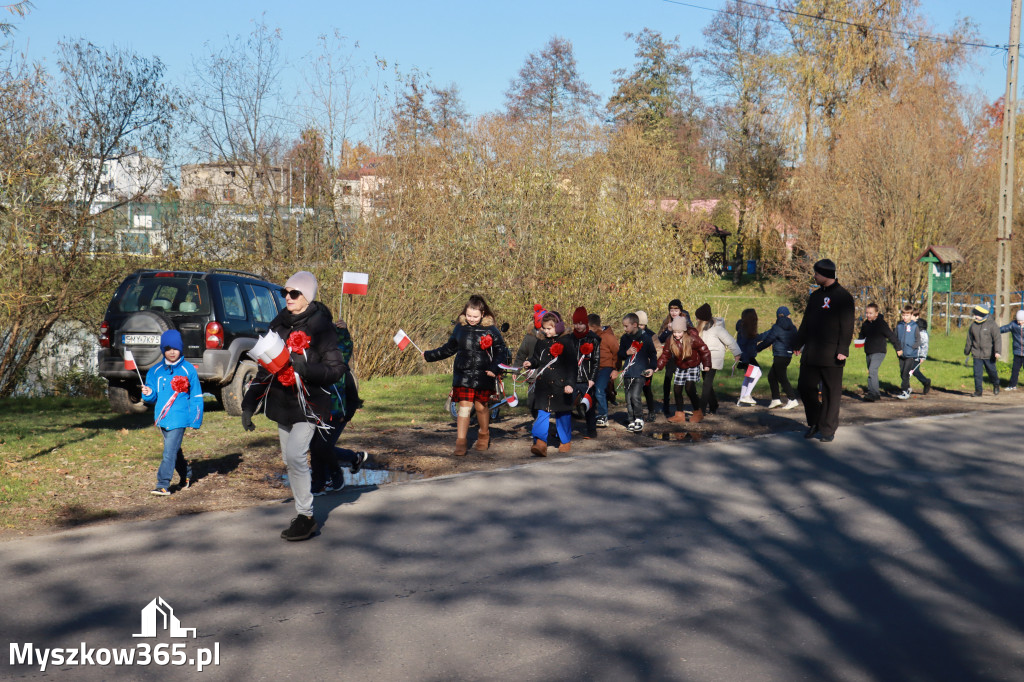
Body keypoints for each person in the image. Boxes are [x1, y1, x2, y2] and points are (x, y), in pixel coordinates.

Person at [241, 270, 346, 541]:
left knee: (298, 456)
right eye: (284, 292)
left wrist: (306, 367)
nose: (287, 297)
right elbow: (266, 368)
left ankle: (305, 516)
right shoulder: (279, 324)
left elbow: (336, 369)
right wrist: (249, 404)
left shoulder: (322, 327)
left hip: (310, 405)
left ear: (307, 297)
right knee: (289, 460)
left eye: (294, 293)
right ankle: (304, 513)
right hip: (282, 403)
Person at [423, 294, 509, 454]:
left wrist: (494, 368)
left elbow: (501, 351)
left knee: (481, 407)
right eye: (469, 315)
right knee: (464, 408)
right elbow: (448, 348)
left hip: (485, 374)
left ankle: (484, 434)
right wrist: (429, 355)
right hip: (463, 373)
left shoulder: (491, 330)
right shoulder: (459, 328)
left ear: (483, 314)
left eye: (475, 316)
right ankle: (461, 442)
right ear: (465, 313)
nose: (472, 319)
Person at [793, 258, 855, 443]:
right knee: (805, 387)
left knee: (831, 392)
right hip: (812, 352)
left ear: (826, 275)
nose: (814, 276)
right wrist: (798, 343)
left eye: (817, 273)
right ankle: (816, 421)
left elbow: (848, 325)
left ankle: (827, 429)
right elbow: (806, 322)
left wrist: (843, 349)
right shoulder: (815, 296)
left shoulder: (844, 297)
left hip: (833, 354)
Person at [309, 320, 369, 496]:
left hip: (338, 415)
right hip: (319, 413)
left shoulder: (342, 371)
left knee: (322, 448)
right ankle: (322, 479)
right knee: (316, 447)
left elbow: (353, 399)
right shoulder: (316, 367)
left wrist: (342, 332)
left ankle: (333, 473)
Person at [141, 329, 202, 496]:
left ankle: (162, 484)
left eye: (175, 348)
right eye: (168, 349)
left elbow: (196, 396)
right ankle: (186, 475)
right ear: (163, 350)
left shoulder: (189, 370)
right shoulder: (155, 371)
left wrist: (195, 419)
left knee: (169, 451)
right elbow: (152, 396)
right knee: (174, 450)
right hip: (162, 419)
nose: (172, 352)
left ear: (180, 348)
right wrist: (147, 393)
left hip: (180, 418)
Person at [522, 312, 575, 456]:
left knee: (563, 414)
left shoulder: (567, 341)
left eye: (549, 329)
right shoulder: (541, 341)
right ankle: (540, 442)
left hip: (561, 384)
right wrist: (530, 363)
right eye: (544, 329)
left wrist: (570, 383)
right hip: (544, 384)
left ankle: (565, 440)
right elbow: (537, 359)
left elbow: (572, 365)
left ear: (558, 327)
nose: (546, 331)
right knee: (542, 412)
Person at [656, 317, 712, 423]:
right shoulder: (670, 339)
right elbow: (665, 355)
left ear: (684, 330)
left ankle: (697, 412)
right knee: (677, 389)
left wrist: (706, 364)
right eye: (675, 332)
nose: (676, 335)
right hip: (681, 366)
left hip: (692, 365)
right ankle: (679, 414)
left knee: (689, 388)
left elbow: (704, 350)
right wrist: (658, 366)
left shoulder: (692, 338)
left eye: (679, 332)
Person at [694, 303, 741, 416]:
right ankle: (714, 405)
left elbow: (730, 340)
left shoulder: (717, 329)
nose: (696, 319)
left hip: (713, 358)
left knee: (706, 384)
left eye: (698, 317)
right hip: (703, 358)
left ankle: (701, 409)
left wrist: (737, 353)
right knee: (707, 383)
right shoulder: (700, 329)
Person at [616, 312, 658, 432]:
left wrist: (652, 367)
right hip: (628, 372)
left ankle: (639, 418)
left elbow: (653, 355)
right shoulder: (624, 338)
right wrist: (626, 353)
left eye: (626, 326)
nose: (624, 329)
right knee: (628, 398)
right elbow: (620, 354)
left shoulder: (646, 338)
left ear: (635, 325)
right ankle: (631, 420)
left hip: (640, 372)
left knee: (635, 396)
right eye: (623, 326)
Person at [756, 306, 800, 410]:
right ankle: (775, 399)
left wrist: (758, 348)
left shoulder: (776, 327)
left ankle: (792, 399)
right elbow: (797, 339)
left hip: (779, 356)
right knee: (772, 376)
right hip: (788, 356)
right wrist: (797, 348)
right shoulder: (793, 327)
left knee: (782, 377)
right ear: (788, 315)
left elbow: (768, 340)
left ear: (778, 315)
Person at [858, 302, 899, 402]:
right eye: (867, 313)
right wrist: (859, 342)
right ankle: (874, 393)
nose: (868, 315)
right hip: (868, 351)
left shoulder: (881, 324)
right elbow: (862, 335)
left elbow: (891, 335)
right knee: (871, 372)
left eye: (870, 313)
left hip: (879, 351)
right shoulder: (865, 324)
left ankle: (873, 393)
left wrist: (898, 348)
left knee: (872, 370)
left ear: (876, 313)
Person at [571, 307, 601, 438]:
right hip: (572, 377)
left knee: (588, 405)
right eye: (576, 323)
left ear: (586, 323)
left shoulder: (593, 339)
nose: (578, 326)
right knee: (567, 405)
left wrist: (592, 378)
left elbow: (596, 361)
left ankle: (591, 430)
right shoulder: (570, 338)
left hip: (587, 378)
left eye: (581, 323)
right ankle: (565, 431)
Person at [964, 303, 1001, 397]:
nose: (975, 316)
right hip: (977, 354)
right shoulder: (973, 326)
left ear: (983, 314)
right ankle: (978, 391)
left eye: (977, 314)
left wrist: (997, 352)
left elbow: (997, 339)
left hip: (989, 354)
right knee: (977, 374)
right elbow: (969, 339)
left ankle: (996, 384)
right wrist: (967, 350)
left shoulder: (992, 325)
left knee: (992, 372)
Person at [657, 299, 685, 418]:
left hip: (682, 355)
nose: (673, 312)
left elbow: (691, 335)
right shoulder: (667, 321)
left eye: (676, 310)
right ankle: (666, 404)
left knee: (682, 381)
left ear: (680, 310)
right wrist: (668, 331)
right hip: (670, 356)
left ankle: (681, 406)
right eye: (671, 310)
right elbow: (660, 339)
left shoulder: (685, 320)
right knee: (668, 378)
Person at [895, 306, 930, 399]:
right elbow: (896, 338)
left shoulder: (916, 327)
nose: (905, 317)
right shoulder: (900, 326)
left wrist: (922, 355)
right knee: (904, 373)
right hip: (902, 354)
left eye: (908, 315)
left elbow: (922, 343)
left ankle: (905, 391)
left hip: (913, 354)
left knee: (908, 372)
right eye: (903, 315)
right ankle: (909, 387)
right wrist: (898, 349)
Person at [735, 308, 761, 406]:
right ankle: (746, 395)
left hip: (746, 357)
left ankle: (741, 399)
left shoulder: (744, 329)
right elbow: (743, 345)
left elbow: (755, 338)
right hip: (747, 357)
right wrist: (745, 359)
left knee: (748, 376)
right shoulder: (744, 330)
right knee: (758, 373)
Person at [636, 310, 658, 421]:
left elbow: (658, 350)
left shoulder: (651, 335)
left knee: (646, 388)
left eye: (642, 325)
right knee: (635, 390)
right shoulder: (631, 334)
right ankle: (636, 413)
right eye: (638, 324)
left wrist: (654, 364)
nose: (640, 327)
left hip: (647, 366)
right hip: (635, 365)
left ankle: (651, 411)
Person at [999, 309, 1024, 390]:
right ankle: (1012, 385)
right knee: (1015, 369)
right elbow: (1004, 329)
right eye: (1018, 320)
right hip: (1017, 352)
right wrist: (995, 330)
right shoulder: (1013, 325)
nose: (1019, 322)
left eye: (1021, 321)